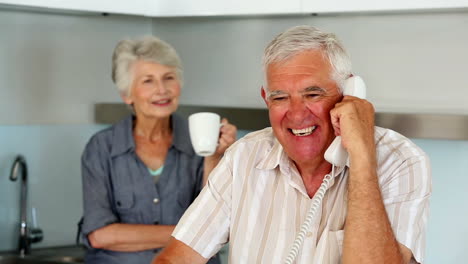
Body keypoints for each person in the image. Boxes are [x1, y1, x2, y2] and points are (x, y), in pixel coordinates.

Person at [152, 25, 432, 264]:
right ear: (265, 98)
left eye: (312, 94)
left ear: (348, 94)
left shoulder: (401, 160)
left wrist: (361, 158)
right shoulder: (244, 157)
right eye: (280, 97)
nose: (296, 114)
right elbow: (178, 257)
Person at [79, 36, 237, 264]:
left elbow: (214, 221)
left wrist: (215, 157)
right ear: (127, 95)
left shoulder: (204, 142)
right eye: (148, 81)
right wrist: (191, 235)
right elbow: (100, 235)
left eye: (168, 78)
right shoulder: (102, 147)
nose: (162, 90)